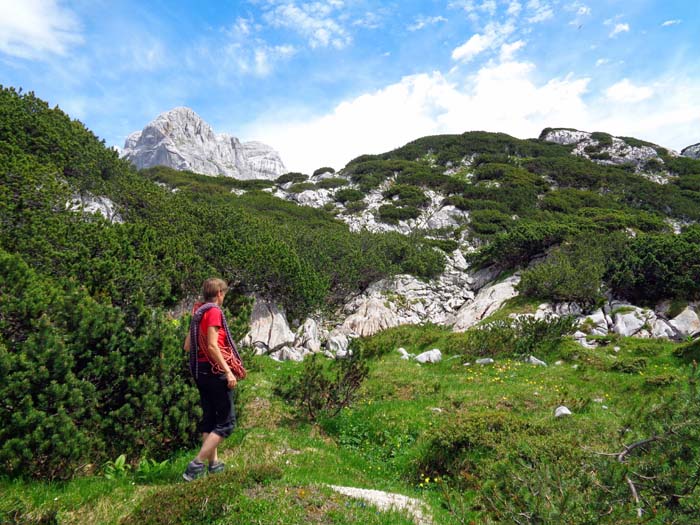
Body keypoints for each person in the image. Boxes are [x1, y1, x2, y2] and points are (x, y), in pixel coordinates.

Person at [182, 278, 244, 481]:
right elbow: (212, 345)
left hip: (201, 372)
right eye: (224, 294)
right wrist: (228, 371)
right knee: (227, 422)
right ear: (219, 294)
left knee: (209, 420)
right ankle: (197, 463)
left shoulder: (198, 313)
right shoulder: (214, 312)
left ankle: (214, 464)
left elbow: (188, 346)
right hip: (215, 371)